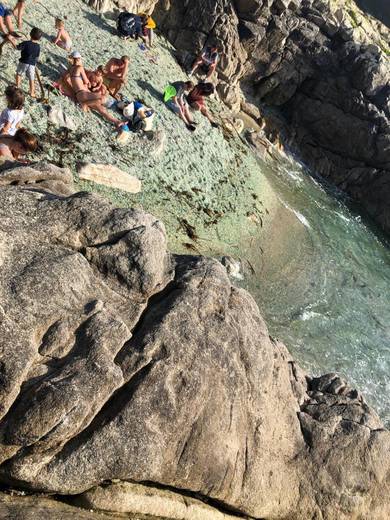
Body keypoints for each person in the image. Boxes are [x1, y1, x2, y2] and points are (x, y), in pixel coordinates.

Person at [69, 51, 122, 126]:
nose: (81, 61)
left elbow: (68, 80)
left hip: (80, 94)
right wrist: (88, 84)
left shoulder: (71, 68)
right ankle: (84, 104)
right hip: (83, 93)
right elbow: (86, 80)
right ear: (78, 59)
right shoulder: (79, 67)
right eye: (80, 59)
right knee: (103, 98)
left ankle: (117, 122)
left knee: (101, 109)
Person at [15, 26, 42, 98]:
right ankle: (32, 92)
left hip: (24, 62)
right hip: (32, 64)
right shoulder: (38, 46)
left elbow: (17, 47)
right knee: (31, 78)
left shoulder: (26, 43)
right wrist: (34, 63)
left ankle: (17, 86)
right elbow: (37, 57)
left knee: (19, 73)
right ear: (39, 38)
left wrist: (12, 41)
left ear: (30, 34)